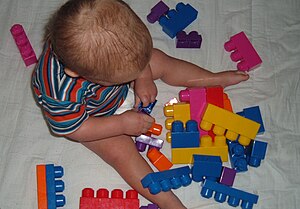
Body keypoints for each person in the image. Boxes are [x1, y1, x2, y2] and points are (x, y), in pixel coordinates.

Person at [32, 0, 249, 208]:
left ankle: (211, 80)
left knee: (159, 60)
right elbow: (75, 129)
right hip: (93, 117)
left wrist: (143, 76)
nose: (135, 76)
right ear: (77, 73)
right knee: (120, 152)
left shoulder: (108, 31)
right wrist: (121, 125)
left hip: (112, 75)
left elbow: (137, 57)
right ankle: (167, 201)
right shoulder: (59, 91)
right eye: (128, 75)